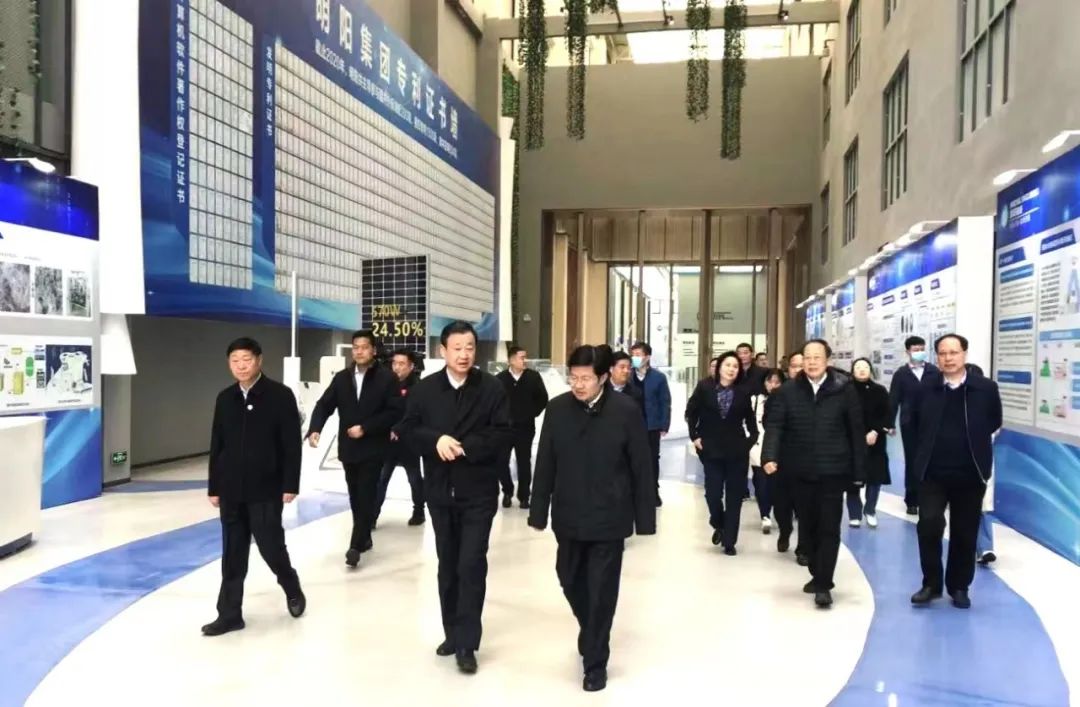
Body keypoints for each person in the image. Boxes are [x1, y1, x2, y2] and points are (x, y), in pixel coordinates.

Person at [529, 345, 656, 693]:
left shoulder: (626, 411)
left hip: (609, 517)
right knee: (568, 577)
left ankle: (596, 662)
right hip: (569, 513)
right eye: (573, 377)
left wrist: (644, 518)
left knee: (601, 591)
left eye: (585, 378)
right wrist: (538, 510)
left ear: (602, 377)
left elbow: (641, 465)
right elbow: (546, 461)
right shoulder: (557, 409)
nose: (578, 384)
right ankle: (591, 628)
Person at [396, 321, 512, 675]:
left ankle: (467, 643)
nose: (464, 354)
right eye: (457, 348)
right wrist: (435, 441)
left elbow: (503, 433)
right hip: (440, 492)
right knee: (447, 565)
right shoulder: (425, 389)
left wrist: (465, 448)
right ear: (442, 351)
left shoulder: (491, 388)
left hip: (478, 491)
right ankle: (452, 632)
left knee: (471, 564)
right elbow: (406, 429)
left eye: (470, 347)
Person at [203, 337, 305, 636]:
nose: (241, 366)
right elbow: (217, 444)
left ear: (259, 360)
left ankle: (291, 585)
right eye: (234, 360)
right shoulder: (225, 398)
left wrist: (290, 483)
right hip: (232, 490)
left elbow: (291, 445)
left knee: (271, 547)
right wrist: (214, 486)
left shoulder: (280, 395)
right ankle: (229, 614)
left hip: (266, 488)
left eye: (246, 359)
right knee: (233, 555)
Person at [762, 339, 865, 608]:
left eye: (817, 357)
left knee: (829, 527)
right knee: (807, 529)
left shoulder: (844, 389)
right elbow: (775, 426)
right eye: (807, 357)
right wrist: (769, 456)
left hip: (833, 470)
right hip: (799, 470)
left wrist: (859, 470)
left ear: (827, 360)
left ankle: (823, 583)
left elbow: (856, 431)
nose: (811, 362)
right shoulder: (787, 391)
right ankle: (817, 572)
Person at [910, 334, 1002, 610]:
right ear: (936, 357)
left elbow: (994, 421)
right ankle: (931, 584)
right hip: (932, 473)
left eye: (953, 352)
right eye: (942, 353)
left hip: (970, 472)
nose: (948, 358)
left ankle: (959, 586)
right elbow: (913, 423)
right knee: (929, 525)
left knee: (965, 532)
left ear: (964, 354)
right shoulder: (926, 388)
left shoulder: (985, 388)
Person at [307, 330, 401, 568]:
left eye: (364, 347)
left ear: (374, 350)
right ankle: (365, 536)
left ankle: (354, 546)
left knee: (366, 493)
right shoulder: (342, 378)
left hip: (373, 447)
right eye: (355, 347)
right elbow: (324, 404)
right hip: (349, 448)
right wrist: (315, 428)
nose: (359, 351)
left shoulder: (387, 378)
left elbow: (394, 412)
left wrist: (366, 428)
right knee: (355, 495)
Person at [685, 351, 758, 555]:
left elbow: (751, 421)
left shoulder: (743, 391)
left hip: (737, 451)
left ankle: (729, 541)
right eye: (727, 365)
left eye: (735, 366)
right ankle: (718, 522)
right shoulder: (705, 387)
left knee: (734, 497)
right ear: (719, 367)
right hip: (711, 450)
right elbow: (691, 412)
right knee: (713, 494)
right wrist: (695, 436)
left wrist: (749, 442)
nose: (731, 369)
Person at [373, 349, 425, 528]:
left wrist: (399, 429)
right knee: (381, 479)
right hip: (388, 442)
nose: (397, 367)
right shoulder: (386, 384)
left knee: (414, 479)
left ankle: (419, 511)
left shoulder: (418, 388)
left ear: (411, 366)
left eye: (402, 364)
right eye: (394, 363)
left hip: (409, 442)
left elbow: (414, 414)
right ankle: (372, 516)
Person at [889, 335, 939, 515]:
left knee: (930, 460)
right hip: (909, 422)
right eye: (915, 349)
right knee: (912, 460)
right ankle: (912, 499)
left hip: (931, 423)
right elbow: (893, 399)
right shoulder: (901, 374)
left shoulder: (934, 372)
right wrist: (890, 423)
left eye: (921, 349)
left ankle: (929, 497)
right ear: (908, 352)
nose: (919, 352)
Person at [495, 346, 549, 509]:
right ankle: (507, 490)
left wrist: (531, 413)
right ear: (511, 360)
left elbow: (543, 398)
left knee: (524, 462)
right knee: (501, 461)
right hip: (504, 428)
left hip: (525, 428)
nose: (524, 360)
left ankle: (524, 496)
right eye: (521, 357)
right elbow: (493, 402)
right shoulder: (500, 379)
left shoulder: (533, 377)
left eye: (525, 357)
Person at [846, 358, 892, 529]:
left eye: (865, 367)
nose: (862, 370)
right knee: (852, 480)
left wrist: (876, 431)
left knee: (875, 478)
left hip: (875, 441)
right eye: (858, 367)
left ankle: (870, 510)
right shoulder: (845, 390)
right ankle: (854, 514)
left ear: (871, 370)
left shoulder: (879, 390)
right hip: (851, 442)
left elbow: (887, 414)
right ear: (852, 371)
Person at [629, 341, 671, 507]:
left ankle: (653, 491)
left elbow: (664, 402)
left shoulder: (658, 378)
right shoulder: (628, 376)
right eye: (633, 355)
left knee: (652, 459)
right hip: (631, 426)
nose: (635, 358)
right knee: (631, 459)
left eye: (638, 355)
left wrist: (664, 424)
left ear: (647, 357)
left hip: (651, 426)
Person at [749, 368, 786, 536]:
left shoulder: (786, 400)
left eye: (777, 382)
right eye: (769, 381)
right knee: (760, 481)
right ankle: (765, 514)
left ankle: (775, 510)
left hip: (778, 447)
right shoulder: (755, 400)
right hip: (757, 446)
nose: (773, 385)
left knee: (774, 482)